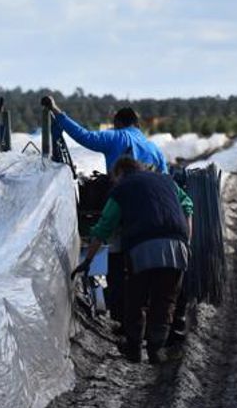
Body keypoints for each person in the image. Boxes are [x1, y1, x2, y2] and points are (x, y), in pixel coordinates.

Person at [42, 95, 170, 329]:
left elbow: (84, 136)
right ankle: (150, 321)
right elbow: (166, 181)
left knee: (119, 263)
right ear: (137, 125)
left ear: (118, 123)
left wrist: (57, 112)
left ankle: (122, 318)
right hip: (154, 216)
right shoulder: (154, 149)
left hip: (125, 213)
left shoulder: (117, 138)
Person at [73, 156, 193, 364]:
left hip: (143, 247)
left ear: (119, 174)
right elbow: (188, 206)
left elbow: (104, 228)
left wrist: (88, 260)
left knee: (135, 298)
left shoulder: (121, 189)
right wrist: (186, 240)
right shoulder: (166, 181)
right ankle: (156, 350)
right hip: (177, 247)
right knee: (165, 300)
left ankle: (134, 349)